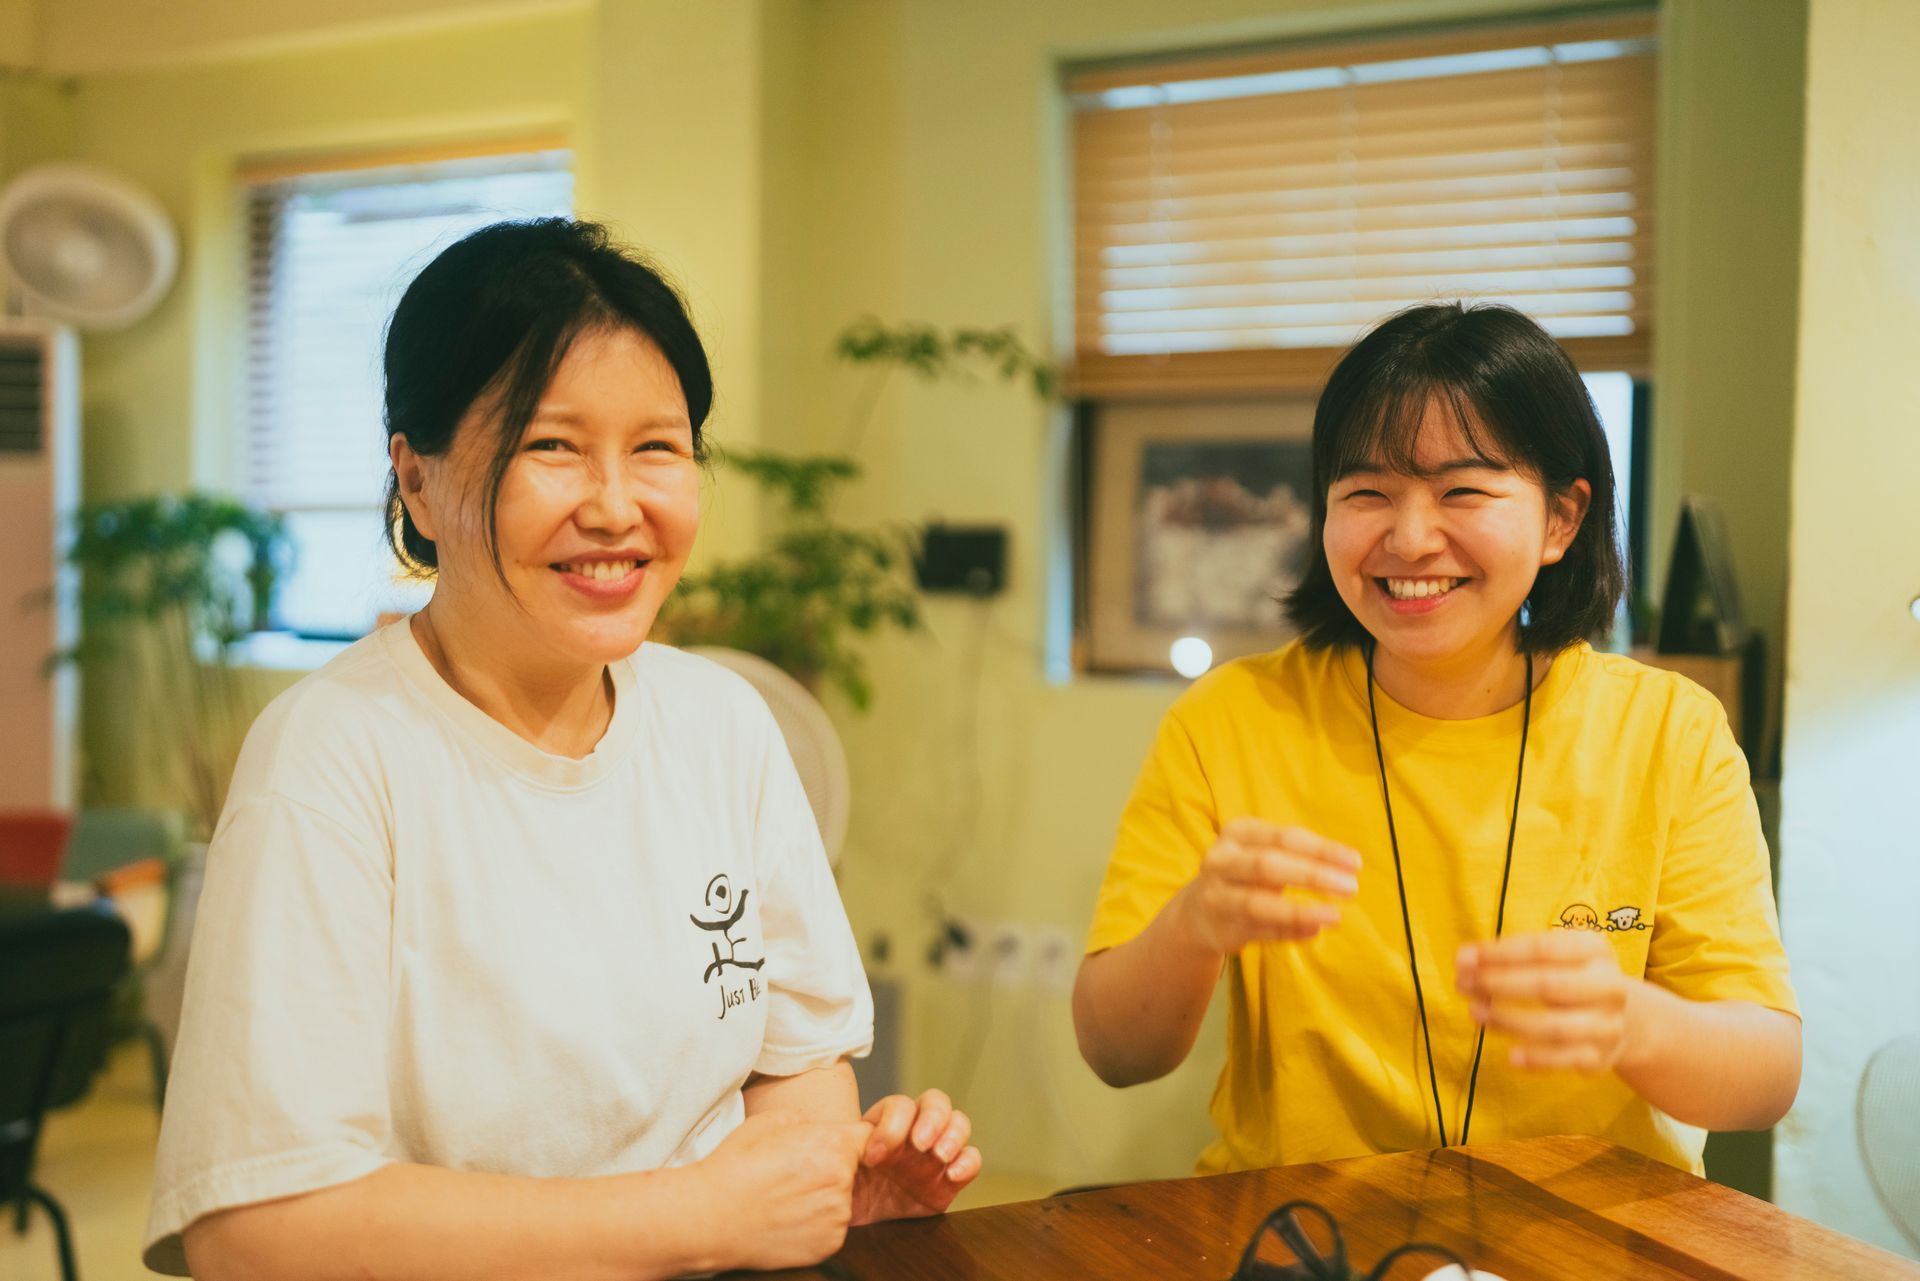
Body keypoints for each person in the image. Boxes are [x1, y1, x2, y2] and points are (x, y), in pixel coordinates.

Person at [144, 219, 980, 1280]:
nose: (617, 507)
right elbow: (256, 1227)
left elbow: (799, 1069)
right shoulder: (332, 757)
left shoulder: (720, 722)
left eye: (658, 448)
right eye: (552, 447)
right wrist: (698, 1216)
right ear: (417, 480)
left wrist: (819, 1188)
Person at [1072, 302, 1799, 1176]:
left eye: (1463, 490)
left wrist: (1630, 1018)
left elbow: (1765, 1077)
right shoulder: (1232, 719)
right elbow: (1118, 1052)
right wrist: (1196, 922)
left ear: (1563, 519)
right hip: (1307, 1243)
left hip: (1580, 1243)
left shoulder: (1666, 732)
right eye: (1367, 492)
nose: (1410, 538)